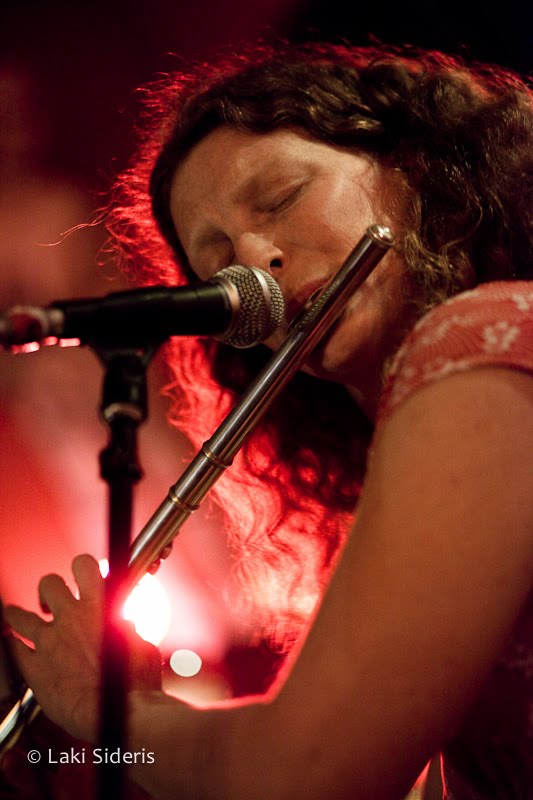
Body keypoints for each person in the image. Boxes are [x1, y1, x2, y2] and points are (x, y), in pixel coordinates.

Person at [3, 42, 532, 799]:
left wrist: (117, 714)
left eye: (281, 197)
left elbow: (297, 776)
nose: (253, 260)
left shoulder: (479, 339)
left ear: (412, 167)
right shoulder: (421, 420)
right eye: (216, 256)